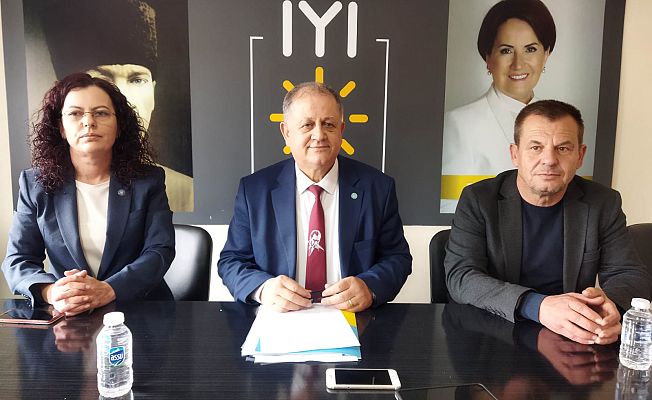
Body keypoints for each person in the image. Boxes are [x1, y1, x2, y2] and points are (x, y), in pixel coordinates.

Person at [444, 99, 650, 345]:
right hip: (493, 334)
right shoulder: (478, 199)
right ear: (515, 154)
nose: (549, 160)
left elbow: (628, 273)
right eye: (536, 147)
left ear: (580, 155)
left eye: (563, 148)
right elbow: (462, 276)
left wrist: (608, 305)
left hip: (571, 336)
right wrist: (537, 306)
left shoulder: (603, 202)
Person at [218, 82, 412, 312]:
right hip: (280, 319)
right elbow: (232, 261)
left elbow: (397, 258)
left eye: (328, 124)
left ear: (341, 130)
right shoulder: (254, 191)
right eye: (307, 125)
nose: (319, 135)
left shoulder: (378, 188)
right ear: (286, 132)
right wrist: (263, 288)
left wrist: (370, 287)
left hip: (351, 318)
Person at [2, 73, 175, 316]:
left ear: (119, 126)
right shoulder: (35, 185)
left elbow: (160, 250)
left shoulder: (148, 180)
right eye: (75, 113)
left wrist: (110, 289)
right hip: (70, 314)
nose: (89, 122)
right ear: (61, 128)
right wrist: (52, 292)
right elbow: (18, 259)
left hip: (141, 312)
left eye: (101, 113)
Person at [32, 0, 194, 212]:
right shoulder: (34, 187)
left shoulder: (180, 189)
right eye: (104, 80)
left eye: (137, 80)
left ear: (153, 91)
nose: (123, 99)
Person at [441, 0, 556, 213]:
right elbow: (450, 207)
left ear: (546, 54)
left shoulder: (560, 123)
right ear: (488, 58)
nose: (518, 64)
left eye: (530, 49)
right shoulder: (458, 124)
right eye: (506, 51)